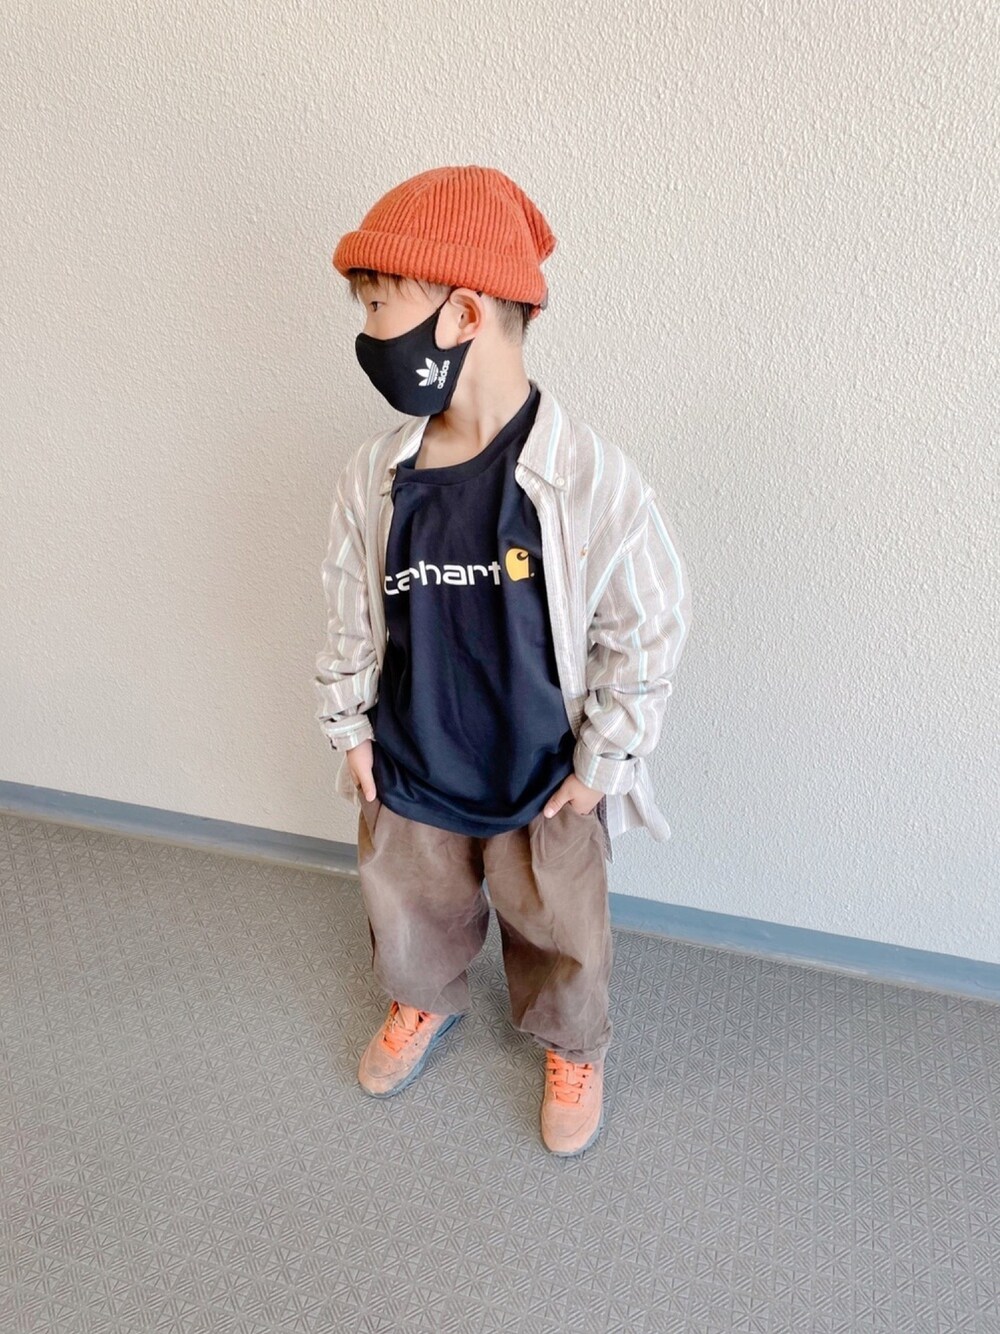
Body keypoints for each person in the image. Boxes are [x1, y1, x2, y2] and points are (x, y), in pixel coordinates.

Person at [314, 165, 691, 1156]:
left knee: (561, 921)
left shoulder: (588, 477)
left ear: (463, 312)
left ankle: (573, 1043)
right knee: (409, 901)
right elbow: (347, 605)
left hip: (543, 775)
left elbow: (647, 622)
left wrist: (603, 759)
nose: (368, 332)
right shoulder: (377, 476)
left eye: (379, 304)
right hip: (415, 758)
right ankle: (421, 997)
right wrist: (349, 725)